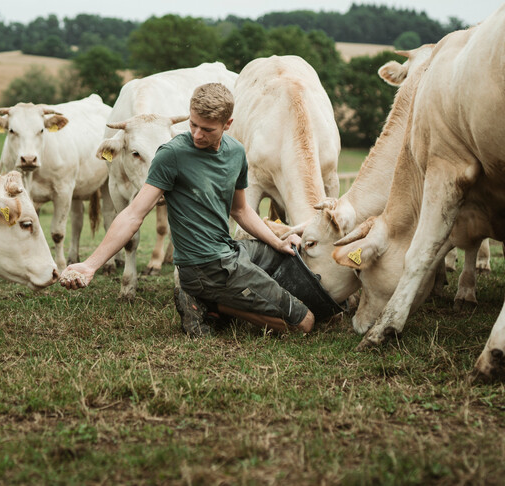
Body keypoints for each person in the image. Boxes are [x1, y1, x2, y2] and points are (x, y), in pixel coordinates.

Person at [59, 82, 315, 336]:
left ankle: (215, 299)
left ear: (227, 124)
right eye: (193, 125)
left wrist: (277, 242)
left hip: (229, 250)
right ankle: (211, 303)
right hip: (202, 267)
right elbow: (133, 214)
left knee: (290, 258)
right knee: (305, 323)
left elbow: (241, 211)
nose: (197, 135)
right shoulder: (171, 155)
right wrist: (90, 265)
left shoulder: (236, 152)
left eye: (207, 129)